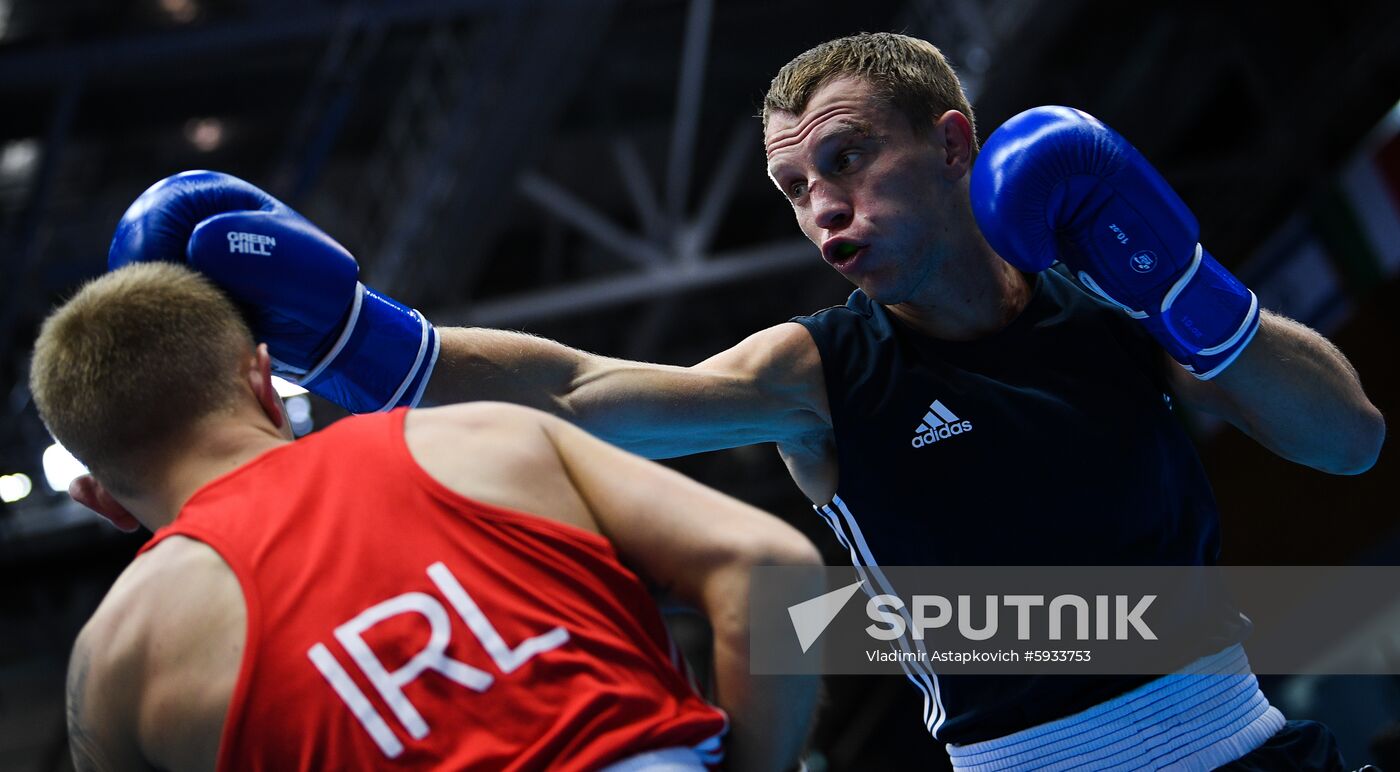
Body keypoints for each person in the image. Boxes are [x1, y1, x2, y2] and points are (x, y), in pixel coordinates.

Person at [103, 32, 1384, 770]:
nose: (821, 204)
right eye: (793, 188)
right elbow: (581, 387)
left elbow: (1345, 441)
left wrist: (1188, 292)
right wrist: (358, 337)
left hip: (1254, 740)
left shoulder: (1109, 304)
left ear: (951, 143)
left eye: (846, 158)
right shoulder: (816, 369)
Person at [33, 262, 822, 771]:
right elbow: (776, 573)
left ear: (97, 498)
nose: (829, 211)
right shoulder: (486, 441)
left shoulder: (112, 665)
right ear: (266, 384)